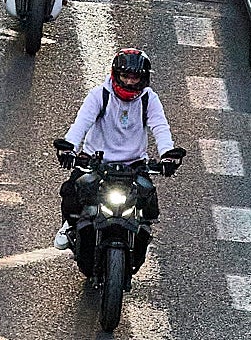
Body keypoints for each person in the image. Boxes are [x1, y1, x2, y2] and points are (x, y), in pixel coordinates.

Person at [53, 49, 185, 266]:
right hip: (96, 163)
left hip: (134, 166)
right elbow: (81, 124)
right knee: (71, 193)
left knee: (150, 204)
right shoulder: (99, 95)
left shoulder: (149, 99)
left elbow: (160, 127)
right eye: (126, 76)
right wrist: (69, 149)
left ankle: (141, 236)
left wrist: (167, 155)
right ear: (116, 74)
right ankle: (68, 225)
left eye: (135, 78)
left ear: (144, 78)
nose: (130, 82)